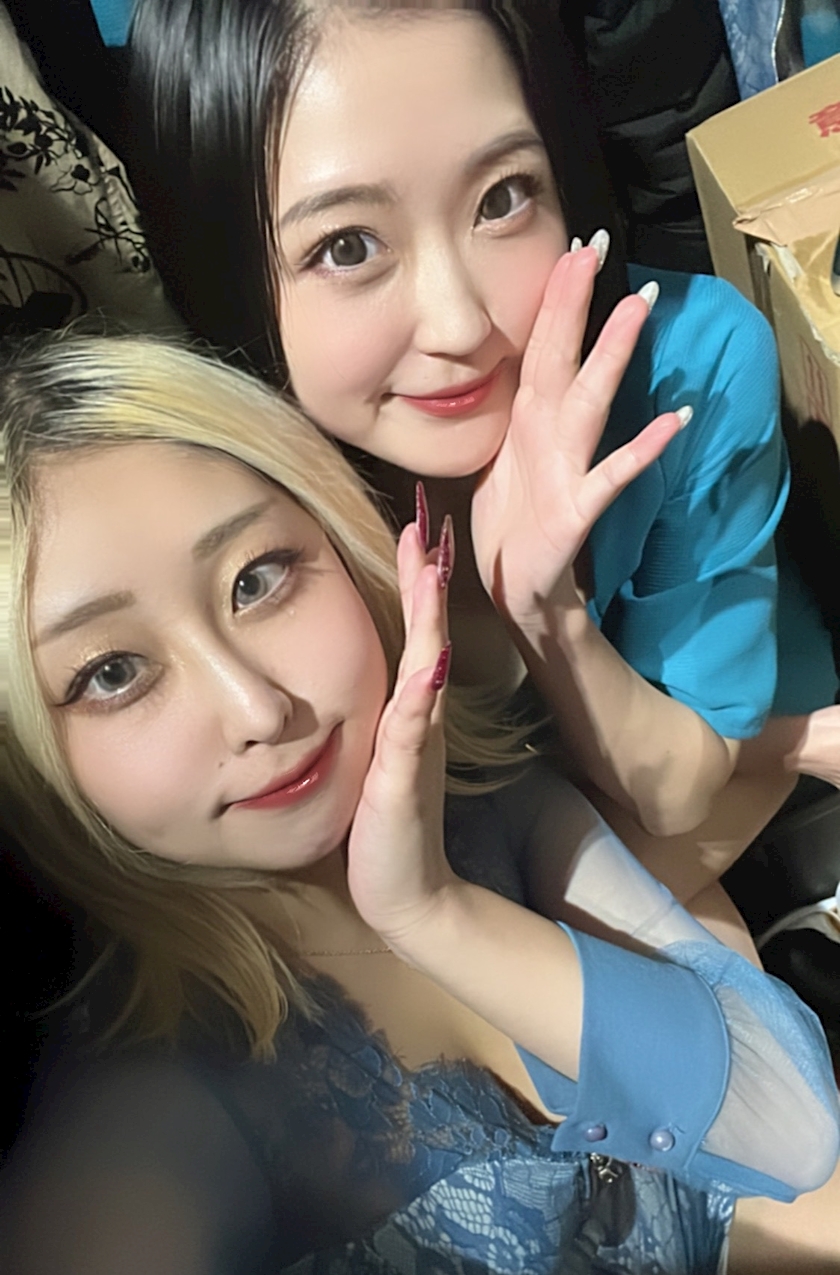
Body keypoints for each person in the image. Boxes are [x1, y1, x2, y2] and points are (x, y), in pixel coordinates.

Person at [0, 330, 839, 1272]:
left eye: (256, 579)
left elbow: (796, 1129)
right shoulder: (142, 1110)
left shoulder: (476, 801)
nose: (257, 708)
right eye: (111, 672)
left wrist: (431, 908)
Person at [124, 0, 840, 919]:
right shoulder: (230, 492)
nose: (461, 324)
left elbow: (678, 788)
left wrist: (548, 610)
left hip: (702, 727)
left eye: (501, 198)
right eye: (348, 247)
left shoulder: (686, 371)